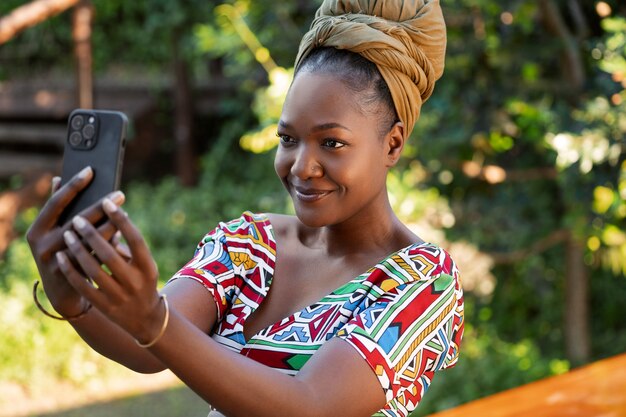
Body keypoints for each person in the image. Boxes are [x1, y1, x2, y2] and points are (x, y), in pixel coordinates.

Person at [27, 0, 463, 416]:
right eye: (288, 140)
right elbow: (145, 349)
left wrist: (154, 320)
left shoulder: (422, 282)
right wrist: (70, 295)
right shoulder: (249, 244)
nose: (302, 167)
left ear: (393, 144)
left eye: (331, 143)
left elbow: (310, 405)